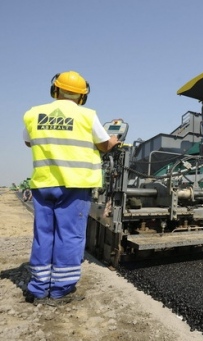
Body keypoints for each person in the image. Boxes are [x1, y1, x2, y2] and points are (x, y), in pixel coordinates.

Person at [22, 70, 119, 305]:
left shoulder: (33, 114)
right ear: (82, 96)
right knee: (69, 236)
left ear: (55, 90)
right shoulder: (87, 115)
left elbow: (28, 141)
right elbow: (105, 145)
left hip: (44, 184)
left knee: (44, 234)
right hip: (75, 185)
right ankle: (60, 291)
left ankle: (38, 289)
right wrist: (114, 139)